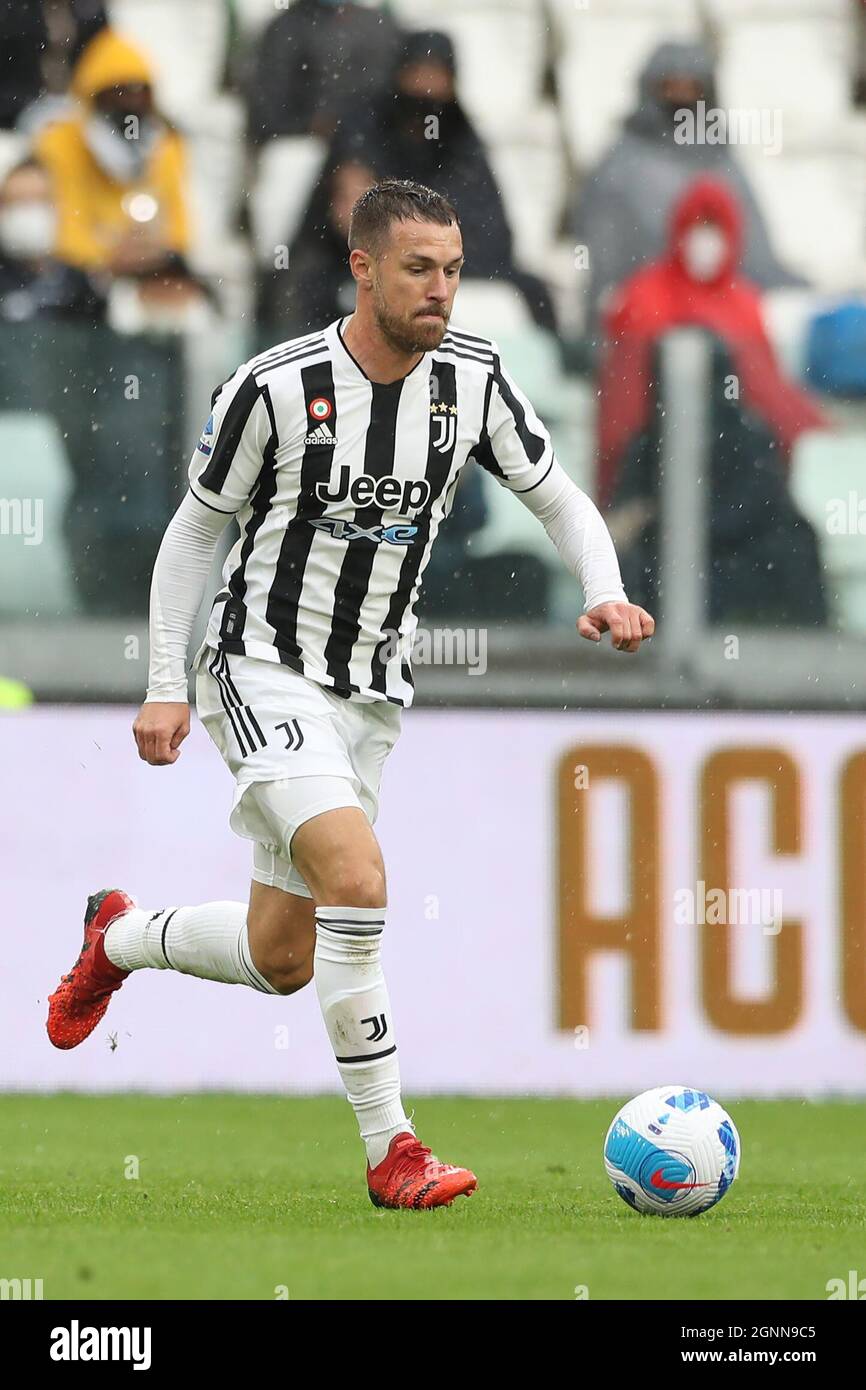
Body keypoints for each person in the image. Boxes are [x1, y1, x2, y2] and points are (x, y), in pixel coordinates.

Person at [46, 180, 653, 1209]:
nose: (440, 291)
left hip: (370, 692)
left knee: (281, 956)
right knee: (359, 880)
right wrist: (163, 685)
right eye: (418, 268)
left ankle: (116, 936)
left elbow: (554, 494)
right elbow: (195, 530)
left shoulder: (471, 379)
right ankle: (392, 1150)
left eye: (453, 270)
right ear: (363, 267)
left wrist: (603, 588)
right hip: (259, 665)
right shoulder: (274, 385)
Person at [596, 175, 828, 625]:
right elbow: (621, 410)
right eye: (698, 225)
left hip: (730, 489)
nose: (706, 241)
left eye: (715, 226)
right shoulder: (642, 296)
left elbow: (769, 399)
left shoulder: (745, 304)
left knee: (794, 542)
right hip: (659, 476)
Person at [572, 40, 803, 341]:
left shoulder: (723, 161)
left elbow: (754, 252)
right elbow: (606, 263)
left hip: (726, 309)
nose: (681, 99)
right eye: (671, 87)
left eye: (691, 89)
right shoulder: (620, 166)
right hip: (650, 314)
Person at [334, 30, 557, 332]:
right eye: (418, 75)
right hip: (364, 261)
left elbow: (491, 224)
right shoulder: (366, 126)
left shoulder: (460, 136)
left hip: (455, 258)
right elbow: (348, 213)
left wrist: (438, 254)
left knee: (535, 293)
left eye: (435, 77)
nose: (426, 90)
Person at [33, 28, 190, 276]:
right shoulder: (60, 141)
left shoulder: (166, 145)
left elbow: (181, 230)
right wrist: (107, 257)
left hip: (152, 274)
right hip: (82, 278)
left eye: (140, 92)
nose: (131, 102)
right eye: (120, 91)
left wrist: (158, 253)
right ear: (95, 94)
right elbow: (64, 232)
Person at [0, 159, 105, 321]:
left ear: (56, 207)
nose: (29, 212)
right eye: (18, 201)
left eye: (39, 200)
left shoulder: (79, 282)